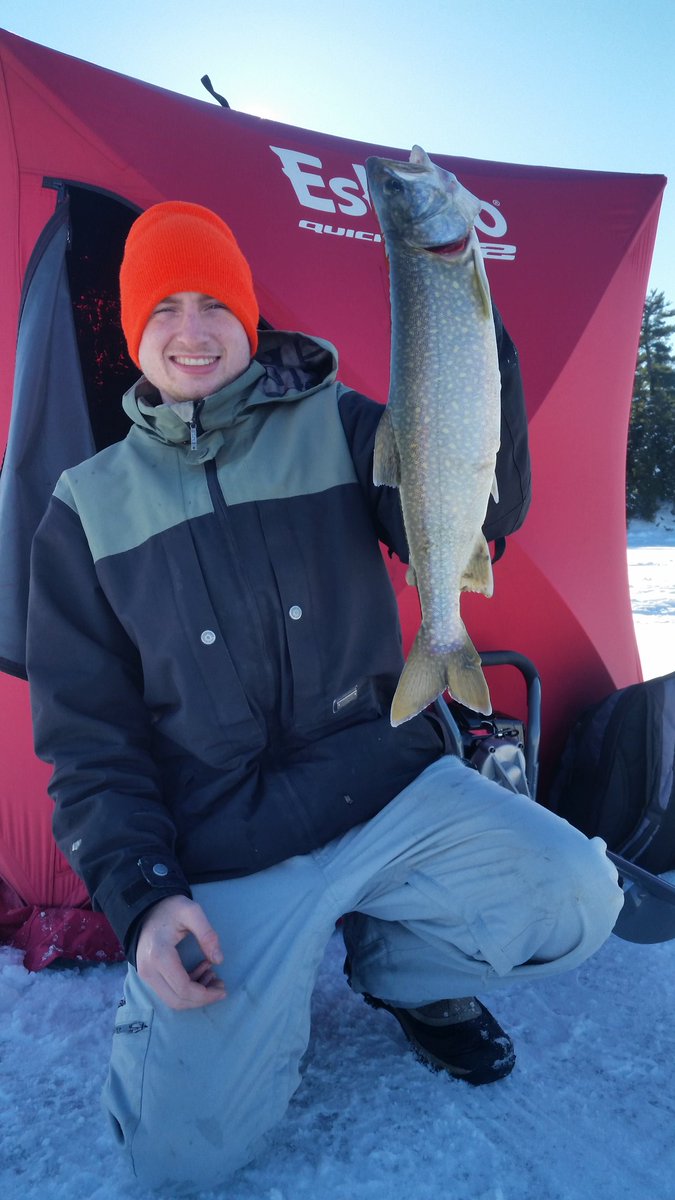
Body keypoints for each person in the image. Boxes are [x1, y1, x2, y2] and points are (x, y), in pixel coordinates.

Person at [26, 201, 623, 1194]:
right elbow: (88, 743)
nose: (191, 328)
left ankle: (400, 974)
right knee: (177, 1152)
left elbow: (485, 511)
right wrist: (142, 899)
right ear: (135, 333)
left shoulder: (338, 424)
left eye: (213, 302)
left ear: (247, 316)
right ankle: (276, 991)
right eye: (165, 307)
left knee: (576, 896)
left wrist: (477, 350)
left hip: (386, 782)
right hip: (228, 840)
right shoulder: (84, 509)